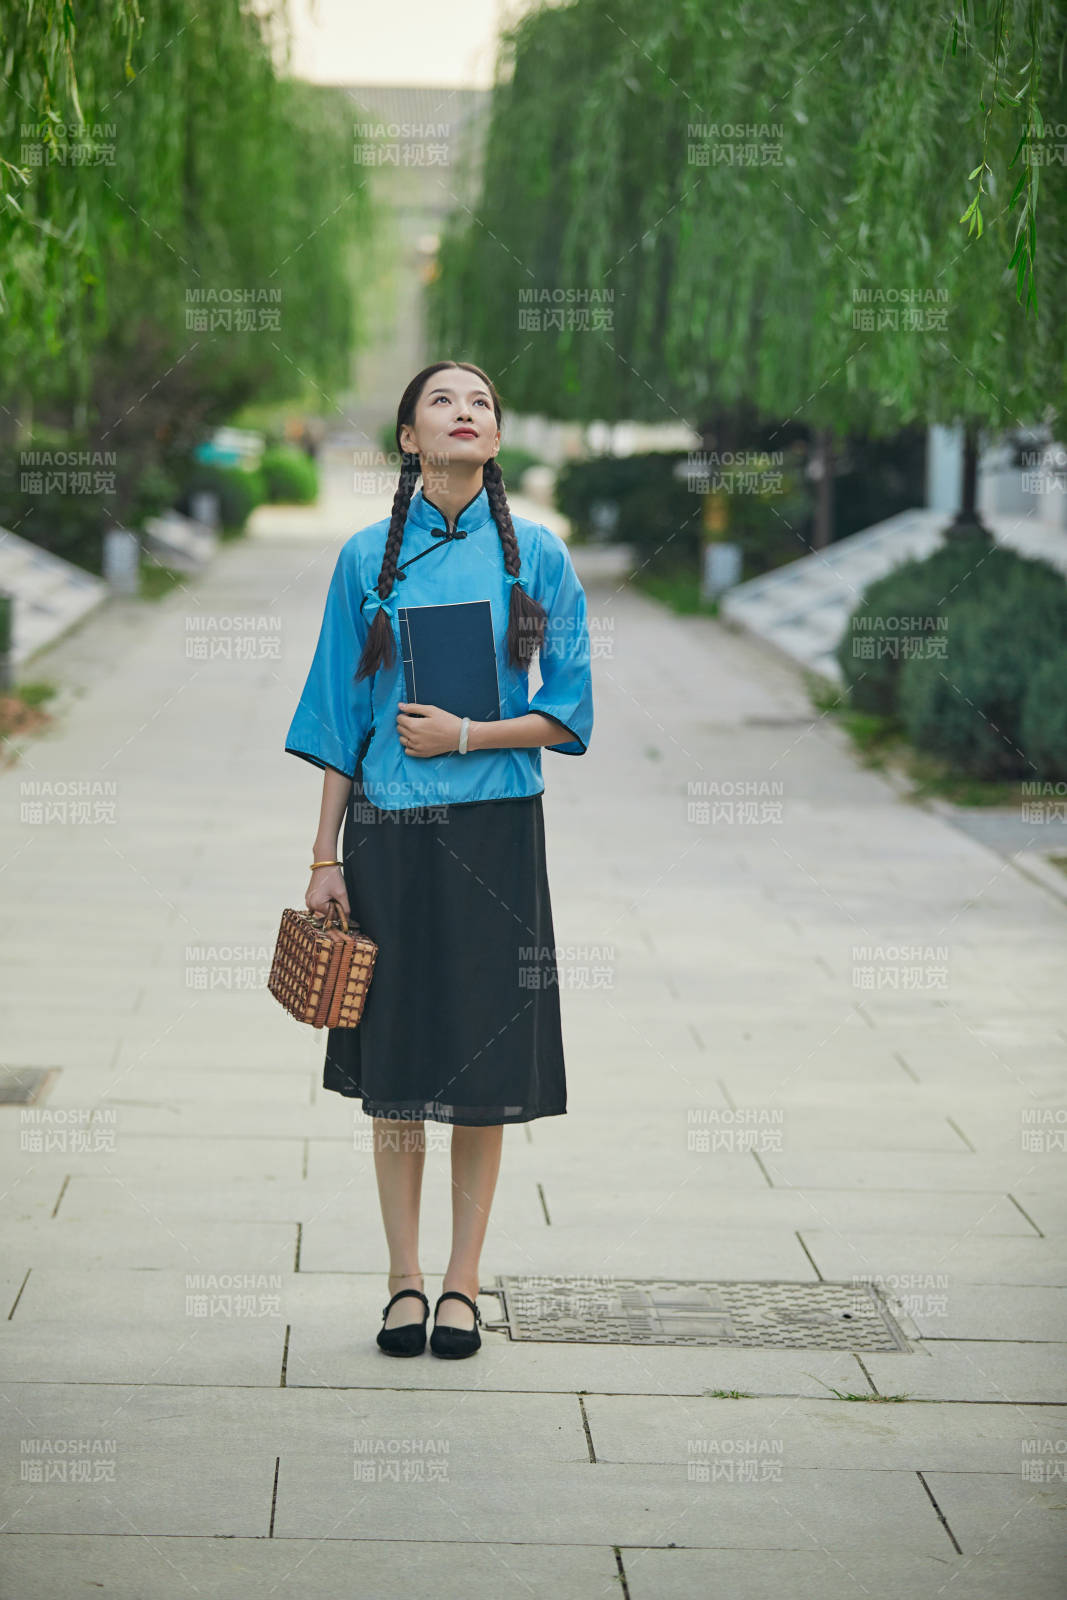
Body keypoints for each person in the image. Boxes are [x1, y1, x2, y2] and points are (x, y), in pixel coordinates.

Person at [284, 360, 594, 1359]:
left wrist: (467, 734)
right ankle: (401, 1279)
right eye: (442, 402)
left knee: (482, 1067)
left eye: (483, 405)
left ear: (495, 440)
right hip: (388, 839)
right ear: (409, 439)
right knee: (401, 1070)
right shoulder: (364, 562)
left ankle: (463, 1280)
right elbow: (338, 712)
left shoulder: (534, 561)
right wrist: (323, 852)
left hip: (496, 834)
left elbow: (568, 706)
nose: (466, 413)